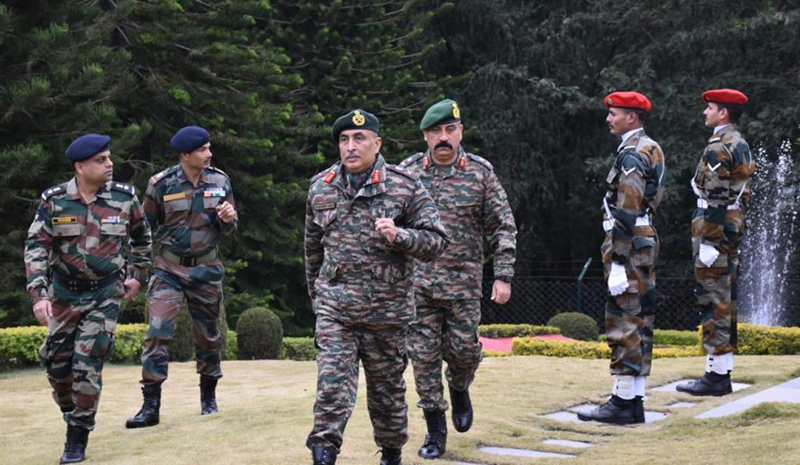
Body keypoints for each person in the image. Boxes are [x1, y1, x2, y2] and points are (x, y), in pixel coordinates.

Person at [305, 109, 448, 465]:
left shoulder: (405, 185)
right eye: (344, 140)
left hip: (387, 313)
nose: (351, 147)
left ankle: (391, 453)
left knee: (386, 393)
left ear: (377, 143)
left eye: (359, 138)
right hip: (336, 308)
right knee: (331, 387)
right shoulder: (320, 187)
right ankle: (323, 453)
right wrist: (319, 300)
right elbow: (311, 252)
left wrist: (400, 236)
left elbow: (436, 242)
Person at [399, 99, 516, 459]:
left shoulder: (480, 172)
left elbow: (503, 226)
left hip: (463, 285)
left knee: (464, 353)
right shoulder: (407, 173)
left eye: (450, 130)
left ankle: (461, 386)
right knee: (423, 358)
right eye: (436, 131)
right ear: (425, 136)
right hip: (417, 286)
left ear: (460, 131)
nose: (443, 137)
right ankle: (435, 429)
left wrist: (503, 275)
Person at [25, 133, 152, 463]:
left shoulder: (124, 198)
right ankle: (70, 407)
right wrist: (39, 295)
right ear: (80, 167)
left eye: (109, 158)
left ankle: (77, 438)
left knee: (88, 364)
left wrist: (137, 276)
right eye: (101, 160)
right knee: (56, 365)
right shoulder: (54, 201)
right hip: (64, 295)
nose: (110, 164)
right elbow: (36, 247)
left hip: (105, 293)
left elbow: (142, 238)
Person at [126, 126, 238, 429]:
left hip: (207, 269)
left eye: (209, 148)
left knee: (209, 336)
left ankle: (208, 398)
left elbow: (231, 226)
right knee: (158, 331)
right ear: (185, 154)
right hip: (169, 269)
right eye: (203, 150)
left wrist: (228, 219)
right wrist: (136, 272)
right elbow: (141, 232)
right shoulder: (161, 184)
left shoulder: (220, 180)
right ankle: (150, 406)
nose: (209, 154)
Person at [578, 91, 665, 425]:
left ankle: (621, 401)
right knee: (640, 317)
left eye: (614, 113)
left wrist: (617, 260)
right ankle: (635, 400)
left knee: (624, 318)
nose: (608, 118)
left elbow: (627, 208)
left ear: (631, 116)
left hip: (627, 241)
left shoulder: (632, 154)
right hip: (642, 239)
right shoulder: (651, 147)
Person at [677, 89, 755, 397]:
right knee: (723, 297)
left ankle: (716, 376)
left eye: (709, 108)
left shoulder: (719, 146)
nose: (705, 113)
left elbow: (716, 194)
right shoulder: (741, 143)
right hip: (731, 223)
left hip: (716, 227)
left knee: (714, 299)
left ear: (723, 113)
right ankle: (719, 372)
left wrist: (709, 240)